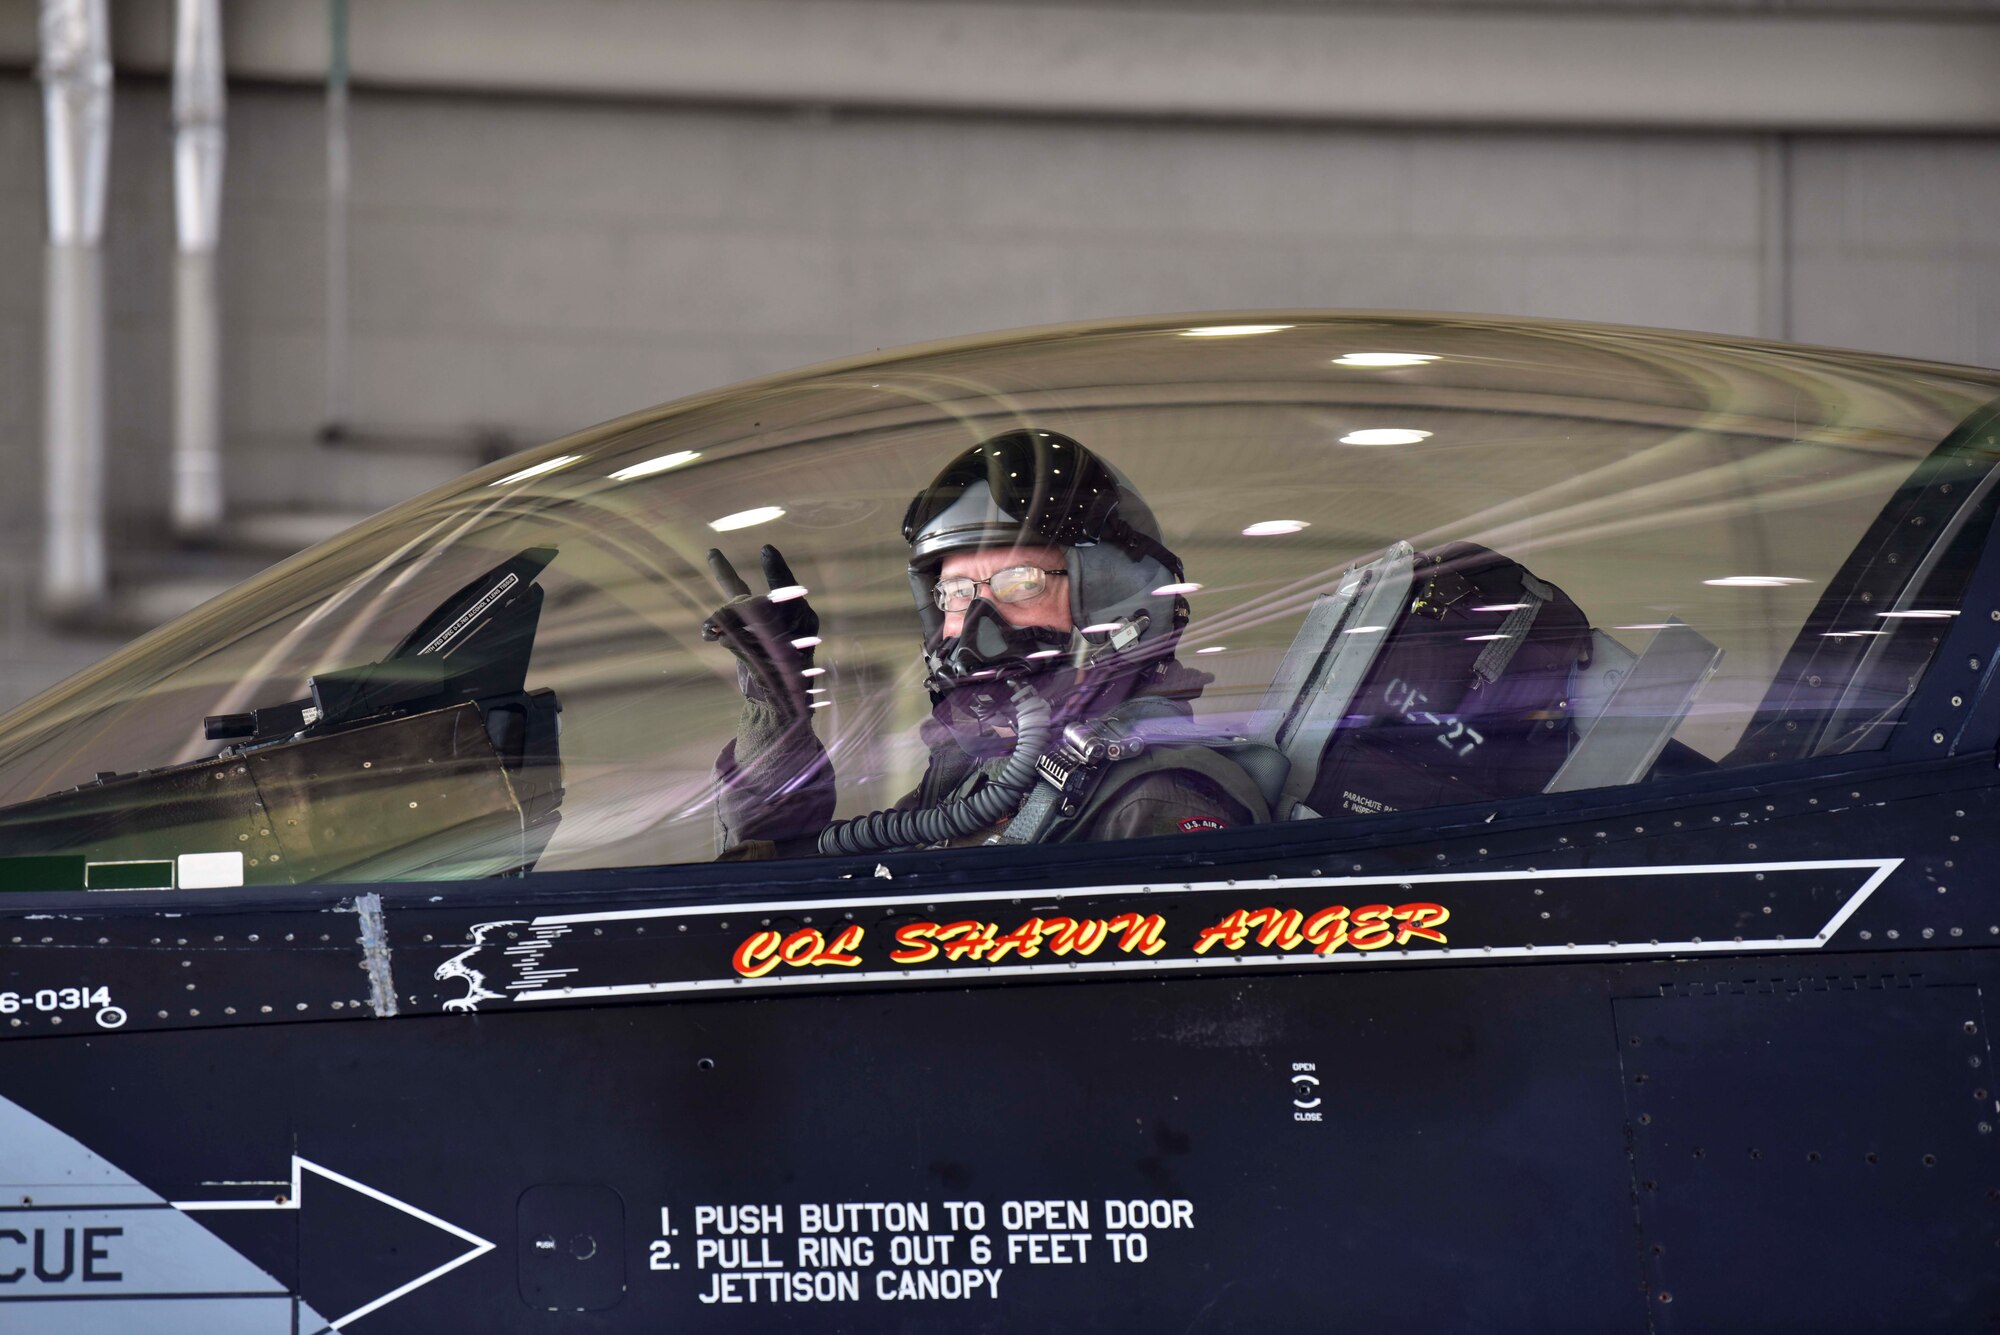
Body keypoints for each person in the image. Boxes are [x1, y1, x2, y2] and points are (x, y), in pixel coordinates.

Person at [703, 429, 1268, 858]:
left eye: (1019, 583)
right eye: (953, 591)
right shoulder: (983, 772)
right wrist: (774, 717)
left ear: (1118, 604)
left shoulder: (1154, 801)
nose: (974, 622)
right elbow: (795, 884)